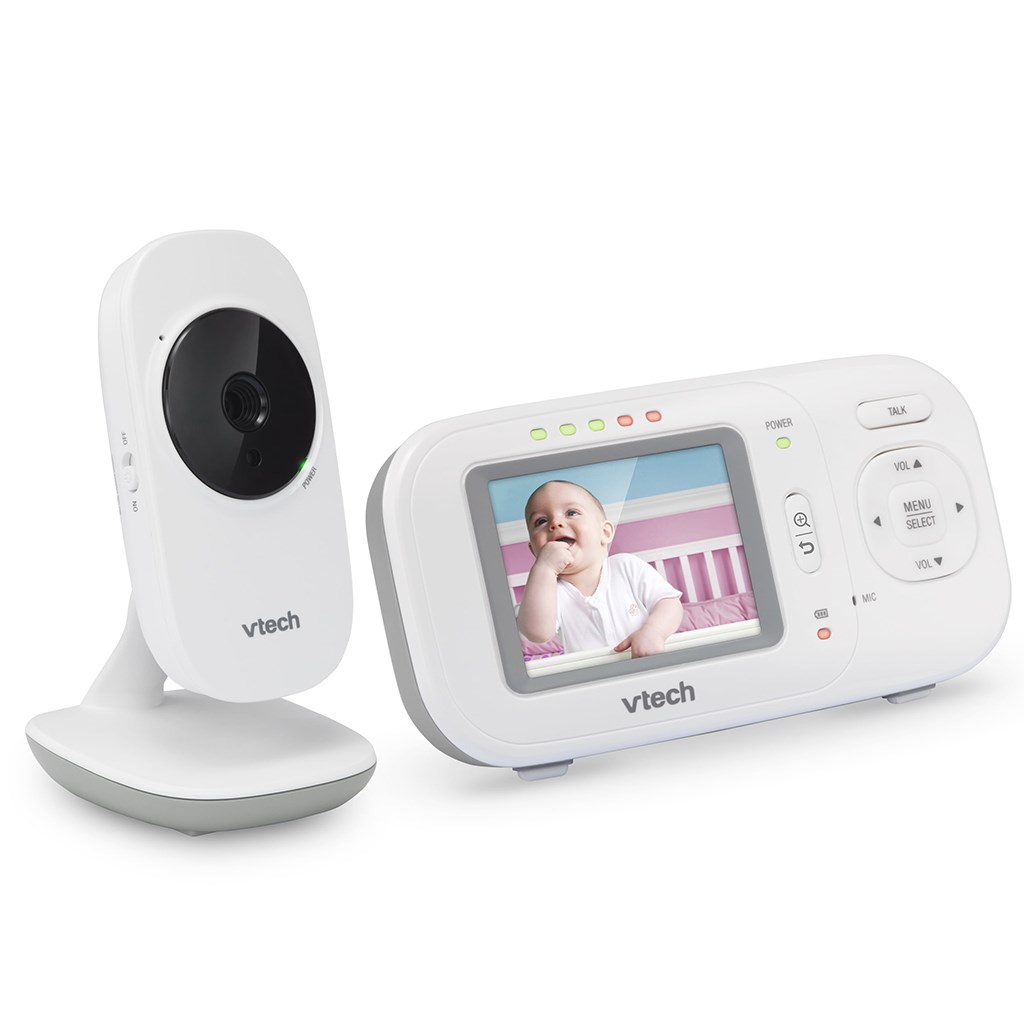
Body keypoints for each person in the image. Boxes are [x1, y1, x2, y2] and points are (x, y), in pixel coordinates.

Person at [517, 479, 683, 658]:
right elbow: (536, 633)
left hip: (647, 661)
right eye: (541, 521)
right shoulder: (550, 593)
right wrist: (544, 568)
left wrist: (653, 630)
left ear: (605, 533)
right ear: (535, 551)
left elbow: (669, 603)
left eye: (571, 513)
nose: (555, 523)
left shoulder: (626, 567)